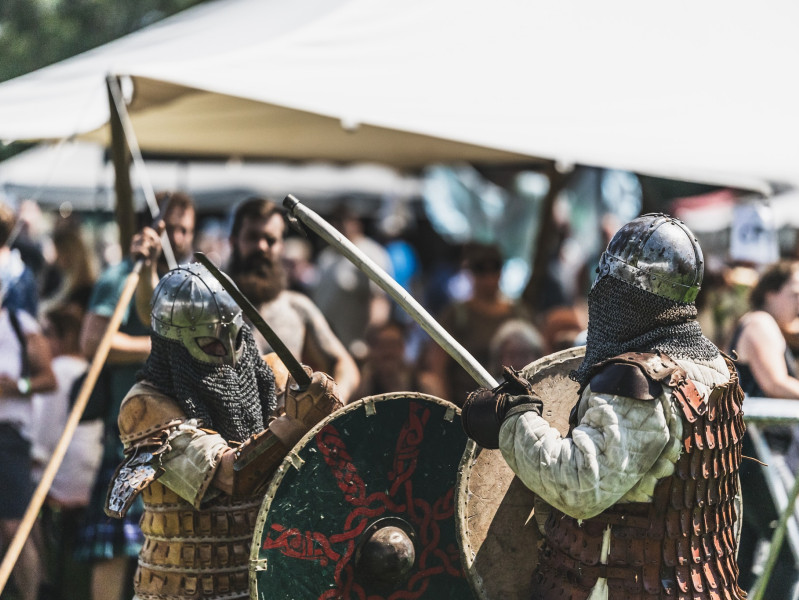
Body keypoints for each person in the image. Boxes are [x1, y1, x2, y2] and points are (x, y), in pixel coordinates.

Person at [461, 213, 747, 599]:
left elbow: (581, 483)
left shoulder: (636, 382)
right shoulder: (715, 367)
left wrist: (513, 419)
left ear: (618, 290)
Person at [104, 263, 341, 600]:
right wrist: (295, 423)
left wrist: (325, 412)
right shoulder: (146, 407)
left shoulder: (271, 376)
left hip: (263, 585)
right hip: (180, 589)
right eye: (209, 342)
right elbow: (231, 476)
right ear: (173, 344)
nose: (228, 353)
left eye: (235, 337)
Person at [227, 197, 360, 403]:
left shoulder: (297, 308)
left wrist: (333, 400)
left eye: (270, 240)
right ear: (233, 241)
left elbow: (346, 365)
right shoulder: (210, 308)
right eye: (252, 237)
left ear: (281, 246)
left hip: (287, 422)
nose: (261, 246)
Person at [729, 260, 799, 597]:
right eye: (795, 294)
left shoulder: (768, 325)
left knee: (745, 557)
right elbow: (774, 383)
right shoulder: (760, 322)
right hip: (758, 451)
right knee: (790, 553)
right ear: (771, 292)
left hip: (754, 451)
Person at [31, 305, 102, 600]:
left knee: (17, 497)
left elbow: (42, 439)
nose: (41, 340)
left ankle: (40, 579)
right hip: (95, 472)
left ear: (64, 336)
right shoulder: (89, 366)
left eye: (47, 333)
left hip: (69, 474)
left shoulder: (58, 370)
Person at [0, 276, 57, 600]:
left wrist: (17, 386)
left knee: (15, 527)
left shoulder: (19, 325)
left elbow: (48, 379)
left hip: (8, 438)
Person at [421, 242, 534, 405]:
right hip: (467, 406)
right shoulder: (457, 316)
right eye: (481, 270)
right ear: (471, 272)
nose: (488, 278)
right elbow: (437, 367)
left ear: (501, 271)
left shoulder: (519, 314)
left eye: (494, 269)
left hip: (515, 404)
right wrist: (449, 409)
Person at [312, 203, 392, 360]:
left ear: (357, 222)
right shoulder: (326, 257)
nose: (339, 225)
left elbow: (379, 302)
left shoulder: (370, 254)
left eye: (345, 219)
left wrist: (371, 344)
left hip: (357, 350)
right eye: (335, 220)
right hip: (326, 351)